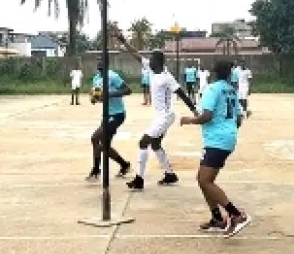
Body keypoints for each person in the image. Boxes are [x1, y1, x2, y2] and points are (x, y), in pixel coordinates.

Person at [113, 29, 197, 190]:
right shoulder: (152, 69)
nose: (148, 59)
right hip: (160, 115)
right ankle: (170, 175)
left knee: (143, 142)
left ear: (158, 61)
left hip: (166, 116)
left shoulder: (166, 77)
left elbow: (182, 93)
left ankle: (139, 179)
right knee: (156, 144)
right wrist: (124, 41)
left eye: (151, 57)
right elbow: (136, 55)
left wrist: (194, 109)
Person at [180, 60, 252, 238]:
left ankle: (236, 215)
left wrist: (189, 120)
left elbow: (207, 116)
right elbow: (238, 119)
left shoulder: (212, 89)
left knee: (205, 180)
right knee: (203, 179)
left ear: (213, 72)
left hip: (217, 140)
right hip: (226, 138)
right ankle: (217, 218)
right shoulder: (230, 90)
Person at [87, 60, 132, 181]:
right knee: (105, 146)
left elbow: (127, 90)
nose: (99, 63)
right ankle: (124, 165)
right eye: (98, 61)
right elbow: (98, 95)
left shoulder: (113, 76)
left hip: (117, 114)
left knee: (95, 138)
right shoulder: (96, 78)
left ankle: (96, 169)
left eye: (102, 61)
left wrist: (110, 94)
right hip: (106, 115)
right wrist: (94, 98)